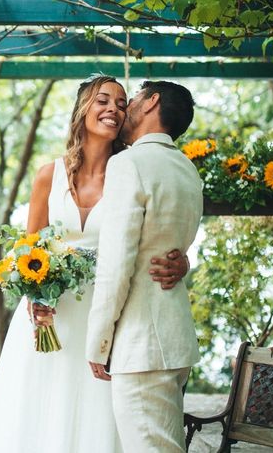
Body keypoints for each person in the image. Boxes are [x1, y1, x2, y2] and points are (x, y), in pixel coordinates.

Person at [0, 76, 190, 452]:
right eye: (103, 100)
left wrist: (181, 260)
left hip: (106, 319)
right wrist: (33, 293)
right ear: (82, 109)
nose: (114, 109)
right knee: (35, 420)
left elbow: (159, 233)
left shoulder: (130, 168)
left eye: (122, 104)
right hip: (52, 318)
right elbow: (28, 250)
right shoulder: (47, 176)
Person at [85, 80, 203, 453]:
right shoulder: (187, 169)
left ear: (151, 102)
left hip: (142, 345)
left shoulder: (129, 164)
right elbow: (172, 242)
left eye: (133, 96)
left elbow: (117, 265)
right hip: (173, 336)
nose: (126, 106)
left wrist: (99, 342)